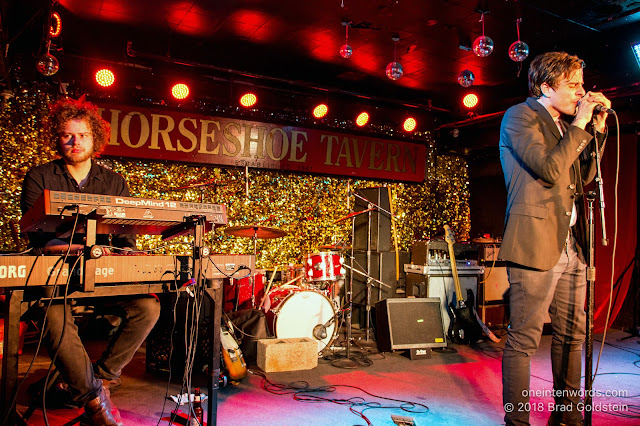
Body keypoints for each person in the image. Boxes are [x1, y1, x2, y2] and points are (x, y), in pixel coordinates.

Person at [21, 98, 161, 426]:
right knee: (54, 318)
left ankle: (101, 377)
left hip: (102, 276)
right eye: (68, 135)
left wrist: (124, 256)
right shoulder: (39, 177)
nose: (75, 142)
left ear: (94, 138)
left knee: (148, 308)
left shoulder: (114, 182)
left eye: (82, 135)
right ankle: (95, 399)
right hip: (55, 277)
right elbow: (35, 235)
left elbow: (127, 238)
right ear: (57, 138)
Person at [498, 51, 610, 426]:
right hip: (534, 242)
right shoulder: (520, 116)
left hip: (572, 245)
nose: (581, 92)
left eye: (581, 84)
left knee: (572, 336)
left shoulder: (566, 126)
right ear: (546, 87)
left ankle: (568, 417)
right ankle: (517, 423)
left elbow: (584, 176)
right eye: (573, 85)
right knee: (524, 340)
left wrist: (596, 128)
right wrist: (579, 124)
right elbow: (548, 169)